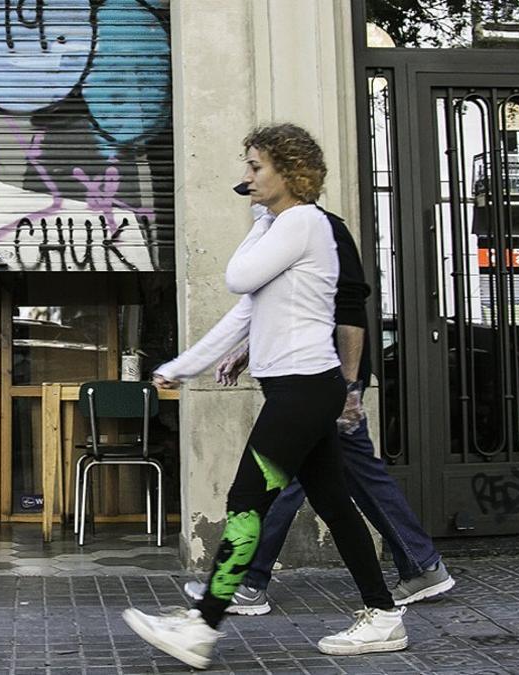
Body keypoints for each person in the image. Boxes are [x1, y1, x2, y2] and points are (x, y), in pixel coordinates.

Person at [121, 124, 408, 670]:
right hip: (303, 388)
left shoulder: (299, 222)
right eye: (247, 166)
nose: (246, 176)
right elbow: (245, 314)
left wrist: (259, 221)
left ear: (289, 171)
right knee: (333, 504)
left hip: (303, 391)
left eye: (256, 167)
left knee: (245, 499)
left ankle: (204, 624)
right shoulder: (289, 227)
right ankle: (383, 613)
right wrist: (182, 367)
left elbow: (236, 276)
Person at [180, 194, 454, 616]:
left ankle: (247, 584)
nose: (252, 194)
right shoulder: (287, 233)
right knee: (345, 483)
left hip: (322, 382)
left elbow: (347, 311)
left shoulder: (321, 229)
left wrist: (348, 385)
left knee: (279, 483)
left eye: (257, 174)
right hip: (312, 382)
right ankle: (415, 572)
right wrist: (246, 351)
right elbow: (281, 309)